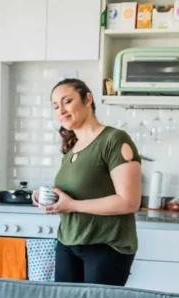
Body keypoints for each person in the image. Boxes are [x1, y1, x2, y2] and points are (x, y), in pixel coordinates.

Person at [36, 78, 143, 286]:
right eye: (56, 106)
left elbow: (129, 202)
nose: (61, 110)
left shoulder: (114, 139)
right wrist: (43, 197)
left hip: (105, 246)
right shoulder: (71, 149)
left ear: (88, 99)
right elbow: (74, 193)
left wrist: (72, 205)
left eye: (67, 101)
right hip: (67, 242)